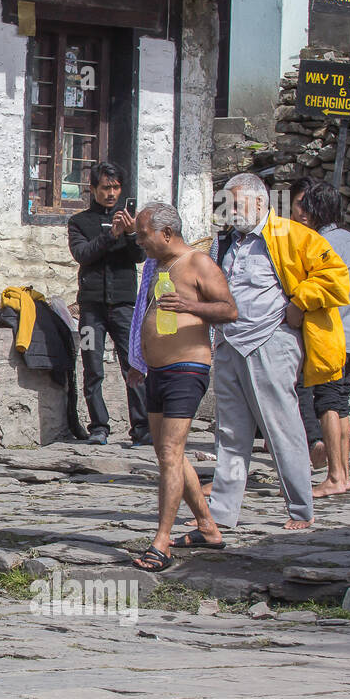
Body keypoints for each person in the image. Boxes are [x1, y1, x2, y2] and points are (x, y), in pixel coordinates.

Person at [209, 173, 349, 532]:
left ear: (260, 203)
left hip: (269, 342)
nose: (231, 212)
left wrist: (300, 303)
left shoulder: (290, 234)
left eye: (236, 204)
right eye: (227, 204)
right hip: (230, 344)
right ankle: (223, 512)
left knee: (281, 428)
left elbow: (335, 275)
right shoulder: (229, 241)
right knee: (231, 433)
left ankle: (300, 509)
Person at [124, 204, 237, 572]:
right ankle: (207, 527)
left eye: (143, 235)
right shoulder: (157, 268)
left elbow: (230, 310)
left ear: (167, 233)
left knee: (170, 452)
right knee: (166, 451)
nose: (139, 241)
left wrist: (191, 304)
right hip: (156, 369)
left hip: (187, 368)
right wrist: (139, 361)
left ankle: (161, 542)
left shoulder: (198, 264)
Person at [290, 178, 350, 498]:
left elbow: (319, 291)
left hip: (333, 338)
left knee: (327, 405)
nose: (298, 213)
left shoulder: (322, 245)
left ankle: (335, 475)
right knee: (342, 405)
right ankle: (344, 473)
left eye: (301, 206)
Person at [68, 161, 151, 446]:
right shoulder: (80, 222)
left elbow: (140, 256)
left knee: (133, 365)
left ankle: (141, 428)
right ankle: (99, 427)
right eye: (105, 188)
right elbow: (83, 254)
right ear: (93, 189)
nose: (111, 193)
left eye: (116, 187)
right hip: (92, 308)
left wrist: (129, 234)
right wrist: (110, 235)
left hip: (125, 307)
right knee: (92, 367)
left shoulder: (134, 222)